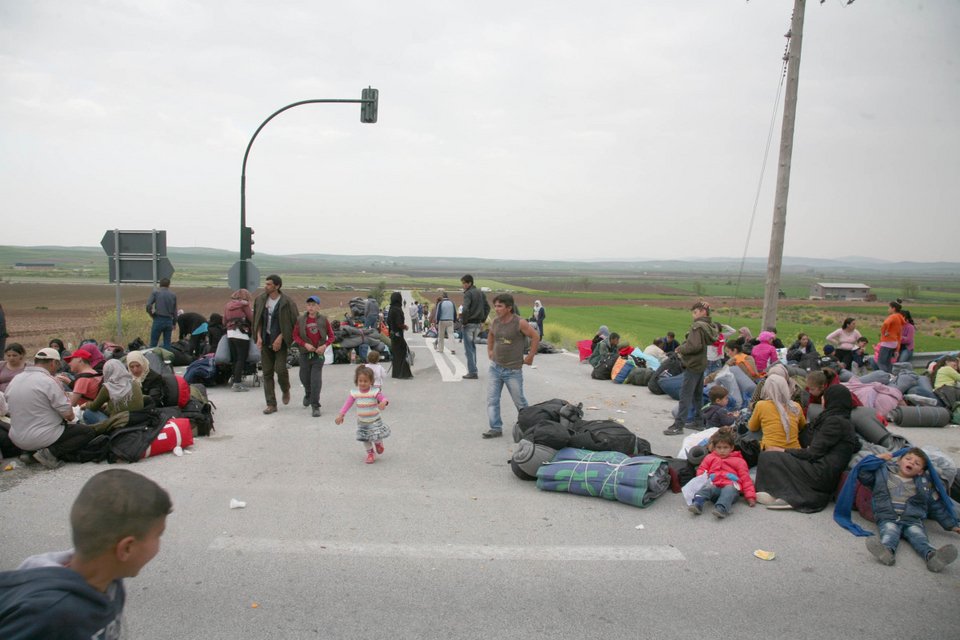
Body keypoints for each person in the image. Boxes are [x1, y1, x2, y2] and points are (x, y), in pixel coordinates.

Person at [0, 469, 172, 638]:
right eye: (158, 535)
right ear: (126, 548)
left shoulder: (111, 581)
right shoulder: (46, 615)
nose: (159, 545)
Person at [754, 385, 860, 512]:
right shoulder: (843, 419)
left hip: (820, 472)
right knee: (775, 455)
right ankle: (777, 492)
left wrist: (782, 450)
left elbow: (812, 453)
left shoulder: (835, 422)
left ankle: (792, 496)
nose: (822, 400)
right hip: (825, 470)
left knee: (769, 456)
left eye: (824, 398)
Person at [854, 449, 960, 572]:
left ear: (920, 471)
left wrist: (952, 526)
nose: (911, 463)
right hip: (888, 516)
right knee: (889, 532)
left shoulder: (925, 484)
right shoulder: (882, 474)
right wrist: (878, 459)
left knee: (919, 537)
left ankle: (932, 556)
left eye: (917, 463)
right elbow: (863, 474)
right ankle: (887, 551)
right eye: (908, 459)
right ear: (899, 461)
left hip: (912, 519)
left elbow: (936, 507)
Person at [6, 348, 96, 469]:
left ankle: (30, 454)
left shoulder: (15, 380)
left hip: (17, 438)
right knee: (87, 432)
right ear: (53, 363)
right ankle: (49, 453)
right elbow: (69, 415)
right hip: (41, 437)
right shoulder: (48, 381)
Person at [483, 293, 539, 439]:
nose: (496, 309)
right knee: (492, 399)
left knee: (519, 401)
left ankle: (529, 427)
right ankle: (495, 428)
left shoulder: (519, 323)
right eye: (495, 306)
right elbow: (491, 335)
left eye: (500, 306)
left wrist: (530, 356)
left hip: (513, 370)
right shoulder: (495, 322)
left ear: (509, 308)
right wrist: (489, 350)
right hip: (495, 368)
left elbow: (535, 336)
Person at [663, 301, 718, 435]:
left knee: (685, 395)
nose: (693, 315)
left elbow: (694, 346)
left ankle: (678, 425)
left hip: (692, 364)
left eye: (695, 312)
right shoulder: (708, 326)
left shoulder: (697, 327)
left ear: (702, 312)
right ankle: (698, 422)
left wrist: (681, 348)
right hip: (701, 364)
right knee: (697, 395)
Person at [252, 274, 299, 415]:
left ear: (277, 286)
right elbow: (257, 320)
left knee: (280, 369)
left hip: (281, 342)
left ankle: (285, 389)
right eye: (265, 284)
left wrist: (281, 338)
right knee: (266, 372)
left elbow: (294, 323)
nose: (265, 286)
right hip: (265, 340)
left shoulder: (287, 302)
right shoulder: (260, 300)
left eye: (269, 284)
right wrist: (258, 337)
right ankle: (271, 404)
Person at [688, 427, 757, 518]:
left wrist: (750, 497)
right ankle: (697, 503)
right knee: (707, 488)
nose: (722, 451)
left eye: (725, 448)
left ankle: (721, 508)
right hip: (715, 487)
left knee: (729, 489)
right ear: (714, 448)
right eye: (719, 448)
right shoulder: (710, 458)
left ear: (732, 447)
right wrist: (706, 477)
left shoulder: (739, 461)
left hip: (731, 490)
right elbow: (702, 470)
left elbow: (746, 479)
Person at [334, 365, 390, 464]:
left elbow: (383, 398)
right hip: (362, 422)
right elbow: (347, 404)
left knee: (376, 435)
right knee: (365, 438)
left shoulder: (374, 391)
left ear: (371, 381)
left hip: (375, 420)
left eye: (365, 381)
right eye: (360, 381)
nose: (363, 383)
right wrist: (341, 415)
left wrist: (383, 402)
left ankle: (378, 444)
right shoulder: (354, 393)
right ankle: (370, 454)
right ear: (357, 381)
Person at [293, 295, 334, 418]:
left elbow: (332, 336)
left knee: (315, 380)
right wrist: (305, 344)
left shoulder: (323, 320)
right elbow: (295, 336)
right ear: (306, 307)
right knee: (304, 377)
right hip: (305, 353)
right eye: (309, 305)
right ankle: (308, 393)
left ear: (318, 307)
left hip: (318, 355)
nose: (311, 307)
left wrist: (324, 346)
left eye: (313, 305)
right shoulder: (300, 320)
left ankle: (315, 406)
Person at [747, 375, 806, 451]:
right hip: (794, 451)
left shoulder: (761, 405)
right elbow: (803, 427)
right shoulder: (796, 406)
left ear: (767, 389)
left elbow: (752, 427)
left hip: (771, 451)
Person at [81, 360, 144, 425]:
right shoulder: (134, 382)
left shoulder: (108, 387)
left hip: (119, 422)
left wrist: (86, 404)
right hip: (137, 419)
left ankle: (99, 433)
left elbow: (94, 407)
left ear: (106, 372)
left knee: (88, 412)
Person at [224, 288, 255, 392]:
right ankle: (237, 383)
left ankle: (234, 380)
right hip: (241, 333)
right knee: (241, 358)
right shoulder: (244, 305)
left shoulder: (227, 305)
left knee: (234, 358)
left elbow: (224, 320)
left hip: (230, 333)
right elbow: (251, 318)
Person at [460, 274, 488, 380]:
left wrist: (464, 322)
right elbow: (487, 307)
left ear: (469, 283)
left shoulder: (468, 293)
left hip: (469, 324)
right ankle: (473, 369)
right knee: (472, 347)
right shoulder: (481, 293)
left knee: (468, 349)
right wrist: (483, 319)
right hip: (477, 324)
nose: (463, 285)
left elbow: (465, 309)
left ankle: (472, 372)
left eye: (464, 283)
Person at [386, 292, 413, 379]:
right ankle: (403, 373)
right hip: (398, 335)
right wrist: (405, 327)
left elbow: (388, 322)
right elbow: (399, 324)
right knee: (402, 353)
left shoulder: (391, 309)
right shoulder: (397, 309)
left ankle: (396, 373)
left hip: (392, 334)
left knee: (396, 355)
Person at [145, 277, 177, 349]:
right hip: (169, 320)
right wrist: (174, 323)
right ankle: (167, 359)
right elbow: (175, 311)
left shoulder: (156, 293)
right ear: (169, 285)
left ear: (160, 285)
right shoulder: (173, 295)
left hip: (158, 319)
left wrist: (152, 314)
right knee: (167, 344)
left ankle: (153, 359)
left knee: (153, 344)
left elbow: (148, 305)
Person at [878, 300, 905, 373]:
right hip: (894, 343)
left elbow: (885, 323)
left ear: (893, 308)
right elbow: (899, 335)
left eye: (889, 307)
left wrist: (883, 333)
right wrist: (897, 349)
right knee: (888, 363)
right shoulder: (900, 318)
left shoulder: (893, 316)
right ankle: (890, 376)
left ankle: (885, 377)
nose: (888, 309)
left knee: (881, 362)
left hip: (887, 341)